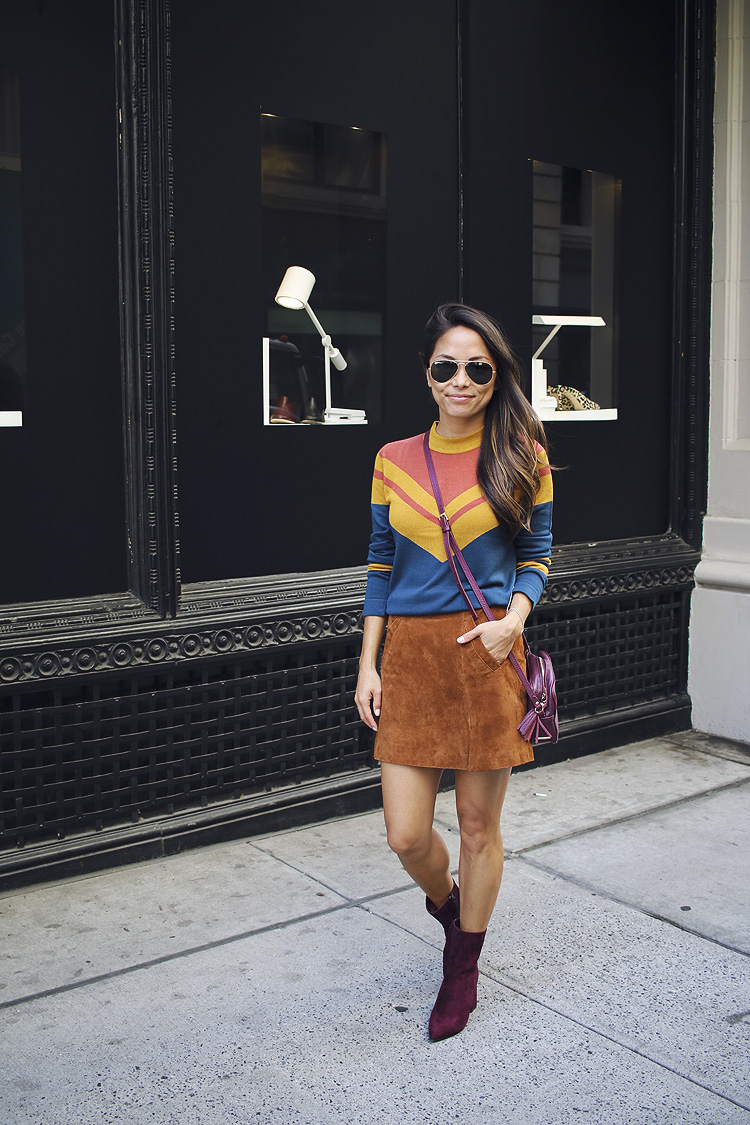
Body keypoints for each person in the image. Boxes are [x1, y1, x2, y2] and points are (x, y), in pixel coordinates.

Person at [354, 302, 553, 1041]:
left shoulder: (522, 452)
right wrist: (367, 665)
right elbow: (379, 566)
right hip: (410, 657)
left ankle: (463, 965)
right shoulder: (390, 459)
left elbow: (539, 553)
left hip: (488, 651)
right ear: (428, 375)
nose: (461, 380)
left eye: (478, 367)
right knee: (406, 835)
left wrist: (514, 622)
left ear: (496, 374)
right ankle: (450, 909)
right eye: (447, 367)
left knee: (477, 823)